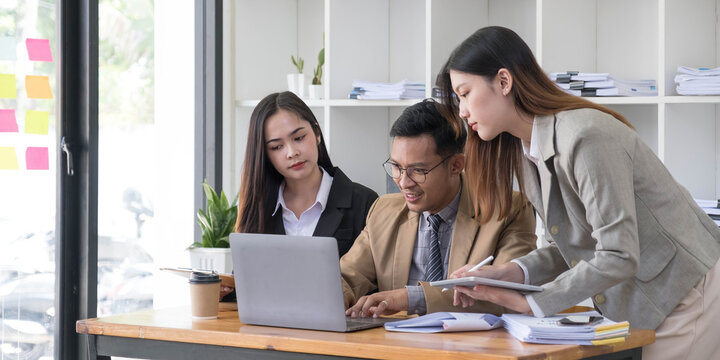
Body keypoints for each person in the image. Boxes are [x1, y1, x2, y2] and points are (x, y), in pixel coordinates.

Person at [438, 26, 720, 359]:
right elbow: (572, 246)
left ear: (503, 82)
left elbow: (618, 253)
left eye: (465, 93)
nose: (462, 111)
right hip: (647, 302)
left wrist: (533, 303)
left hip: (688, 294)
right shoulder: (528, 150)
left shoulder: (585, 137)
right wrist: (507, 274)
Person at [341, 98, 536, 318]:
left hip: (470, 348)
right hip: (395, 345)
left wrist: (412, 298)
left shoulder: (509, 209)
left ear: (455, 166)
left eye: (418, 171)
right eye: (396, 167)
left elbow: (507, 297)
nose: (404, 182)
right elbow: (348, 277)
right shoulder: (384, 211)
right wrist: (328, 294)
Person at [221, 91, 378, 299]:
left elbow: (377, 288)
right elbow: (246, 288)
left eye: (299, 138)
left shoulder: (364, 202)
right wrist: (225, 293)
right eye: (277, 147)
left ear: (317, 133)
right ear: (265, 155)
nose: (291, 152)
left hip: (340, 329)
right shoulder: (258, 208)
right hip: (269, 329)